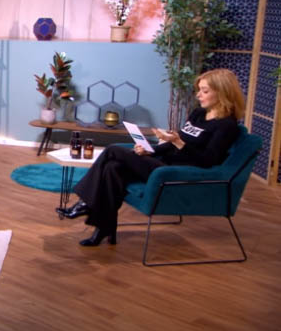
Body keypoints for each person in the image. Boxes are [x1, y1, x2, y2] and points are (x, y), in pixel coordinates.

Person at [61, 68, 245, 246]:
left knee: (112, 150)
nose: (198, 95)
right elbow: (173, 143)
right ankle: (104, 228)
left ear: (222, 93)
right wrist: (151, 151)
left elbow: (208, 161)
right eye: (199, 90)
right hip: (162, 163)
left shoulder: (227, 126)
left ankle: (85, 202)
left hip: (176, 173)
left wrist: (179, 143)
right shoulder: (198, 114)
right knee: (112, 168)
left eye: (205, 91)